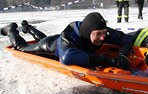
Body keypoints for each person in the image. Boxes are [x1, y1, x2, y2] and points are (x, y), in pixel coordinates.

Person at [1, 12, 132, 69]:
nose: (103, 38)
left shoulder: (99, 30)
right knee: (23, 48)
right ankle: (11, 30)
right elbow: (67, 57)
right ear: (87, 32)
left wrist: (123, 55)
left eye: (104, 33)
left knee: (44, 37)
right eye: (98, 34)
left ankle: (28, 28)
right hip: (51, 47)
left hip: (58, 41)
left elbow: (125, 38)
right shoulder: (69, 35)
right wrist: (110, 61)